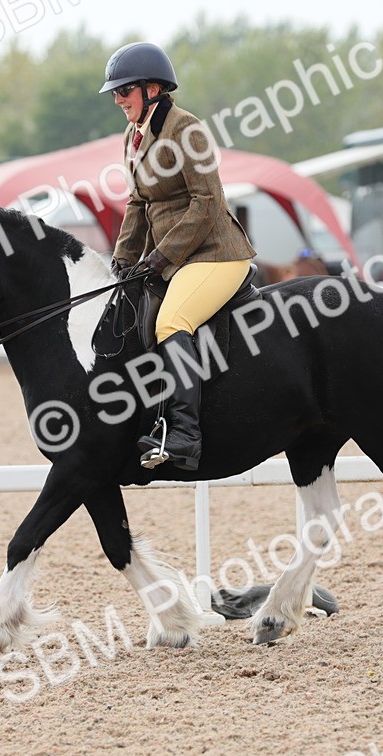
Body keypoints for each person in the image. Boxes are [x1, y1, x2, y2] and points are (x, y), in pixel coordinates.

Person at [101, 41, 256, 471]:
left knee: (173, 320)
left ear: (152, 88)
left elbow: (207, 202)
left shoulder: (187, 130)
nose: (117, 100)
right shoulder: (134, 137)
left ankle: (184, 434)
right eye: (115, 93)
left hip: (215, 254)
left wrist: (160, 257)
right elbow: (137, 204)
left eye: (124, 91)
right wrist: (120, 262)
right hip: (175, 257)